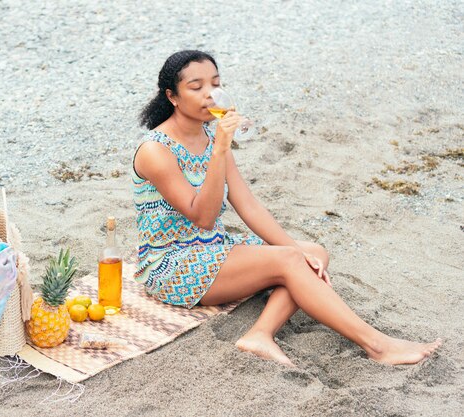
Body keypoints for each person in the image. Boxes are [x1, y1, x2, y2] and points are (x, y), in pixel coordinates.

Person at [131, 50, 441, 366]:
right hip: (171, 264)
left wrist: (294, 248)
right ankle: (377, 346)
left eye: (216, 84)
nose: (210, 94)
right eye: (196, 87)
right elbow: (204, 216)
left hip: (214, 249)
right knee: (292, 260)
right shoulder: (156, 150)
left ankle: (260, 334)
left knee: (313, 254)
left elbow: (247, 204)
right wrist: (222, 148)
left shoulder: (211, 136)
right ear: (172, 96)